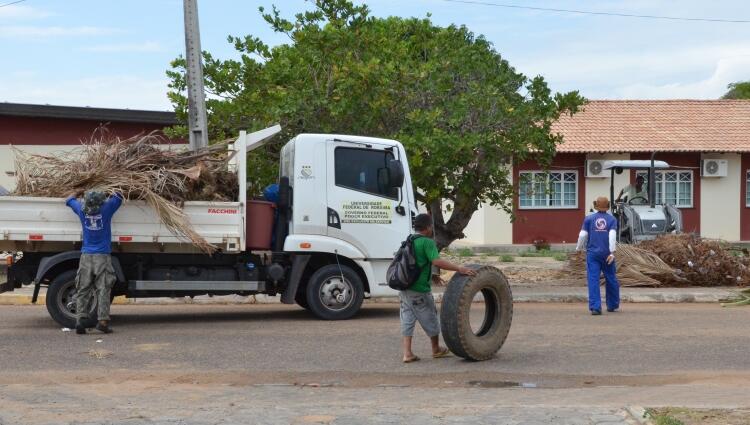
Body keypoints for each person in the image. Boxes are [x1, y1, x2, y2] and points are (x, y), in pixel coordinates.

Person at [400, 213, 476, 363]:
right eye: (431, 226)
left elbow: (418, 262)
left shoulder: (409, 240)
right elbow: (436, 261)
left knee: (407, 319)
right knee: (431, 317)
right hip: (420, 290)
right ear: (428, 228)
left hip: (404, 288)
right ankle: (436, 349)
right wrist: (459, 268)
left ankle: (407, 353)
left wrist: (433, 276)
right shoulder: (427, 242)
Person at [66, 189, 123, 334]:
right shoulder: (106, 209)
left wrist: (78, 192)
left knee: (83, 288)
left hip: (86, 256)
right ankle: (102, 322)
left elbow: (69, 199)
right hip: (102, 256)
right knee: (103, 288)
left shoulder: (81, 209)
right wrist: (111, 190)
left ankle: (80, 321)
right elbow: (119, 195)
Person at [576, 196, 620, 315]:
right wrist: (612, 252)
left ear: (595, 205)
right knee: (611, 278)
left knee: (593, 279)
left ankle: (595, 307)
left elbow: (582, 235)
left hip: (593, 254)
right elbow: (612, 236)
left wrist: (579, 248)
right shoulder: (612, 220)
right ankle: (612, 304)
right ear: (608, 206)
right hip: (607, 254)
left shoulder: (589, 219)